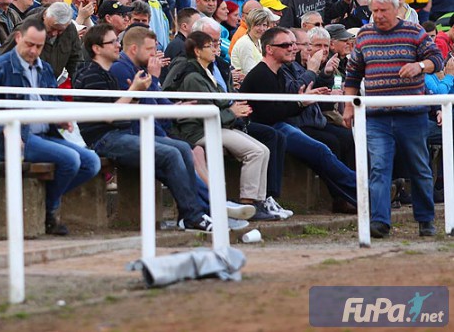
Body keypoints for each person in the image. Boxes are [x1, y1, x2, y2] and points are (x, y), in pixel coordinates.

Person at [71, 24, 220, 231]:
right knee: (170, 153)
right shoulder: (91, 74)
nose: (118, 45)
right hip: (105, 138)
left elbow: (126, 110)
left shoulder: (110, 73)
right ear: (97, 48)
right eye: (113, 42)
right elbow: (106, 116)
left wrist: (140, 91)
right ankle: (194, 214)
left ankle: (195, 213)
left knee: (183, 149)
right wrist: (135, 90)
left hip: (121, 132)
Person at [0, 19, 100, 235]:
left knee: (91, 162)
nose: (34, 50)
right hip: (18, 136)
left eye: (39, 46)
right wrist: (5, 128)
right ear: (18, 38)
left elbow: (53, 101)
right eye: (29, 44)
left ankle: (48, 201)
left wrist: (60, 118)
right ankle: (50, 211)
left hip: (45, 132)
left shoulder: (45, 68)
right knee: (71, 160)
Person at [343, 0, 443, 238]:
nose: (377, 15)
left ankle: (425, 219)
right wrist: (348, 106)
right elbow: (353, 74)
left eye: (382, 10)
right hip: (376, 116)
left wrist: (419, 66)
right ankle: (379, 222)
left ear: (396, 8)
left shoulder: (414, 31)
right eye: (373, 10)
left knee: (419, 167)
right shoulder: (364, 35)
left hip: (412, 115)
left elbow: (437, 59)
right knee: (379, 167)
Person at [240, 27, 360, 215]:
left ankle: (361, 192)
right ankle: (365, 191)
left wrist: (303, 100)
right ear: (269, 49)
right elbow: (271, 113)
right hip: (268, 128)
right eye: (286, 45)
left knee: (327, 149)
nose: (292, 48)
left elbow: (282, 107)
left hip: (281, 126)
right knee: (322, 150)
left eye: (293, 44)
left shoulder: (277, 71)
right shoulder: (261, 74)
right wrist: (301, 101)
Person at [163, 30, 278, 220]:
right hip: (199, 130)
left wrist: (234, 107)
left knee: (263, 150)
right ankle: (248, 202)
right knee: (255, 152)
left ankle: (259, 201)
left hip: (218, 125)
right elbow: (205, 112)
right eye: (209, 46)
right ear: (197, 51)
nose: (215, 49)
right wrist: (232, 112)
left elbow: (219, 104)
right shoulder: (193, 77)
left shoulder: (207, 72)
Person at [230, 8, 273, 75]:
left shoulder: (259, 41)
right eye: (258, 25)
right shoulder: (245, 43)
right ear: (250, 25)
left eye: (264, 25)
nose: (261, 29)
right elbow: (250, 72)